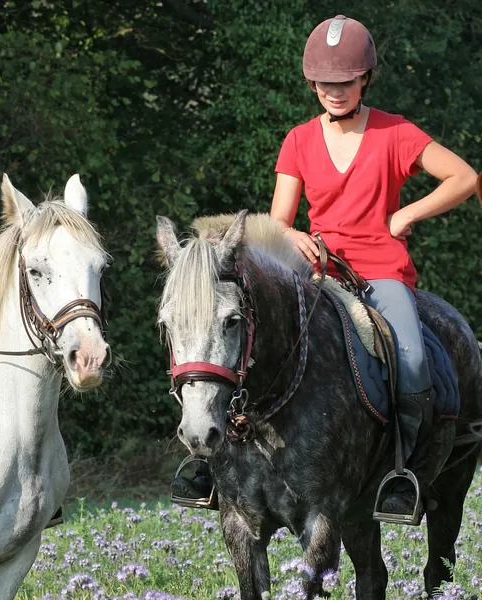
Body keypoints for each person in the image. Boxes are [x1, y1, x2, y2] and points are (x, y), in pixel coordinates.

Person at [171, 16, 477, 520]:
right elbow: (277, 222)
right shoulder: (298, 140)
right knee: (233, 345)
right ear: (313, 83)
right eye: (325, 83)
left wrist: (407, 213)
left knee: (415, 364)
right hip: (314, 279)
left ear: (365, 79)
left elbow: (463, 176)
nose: (334, 92)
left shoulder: (396, 133)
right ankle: (209, 465)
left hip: (380, 277)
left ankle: (402, 475)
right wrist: (291, 235)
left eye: (346, 81)